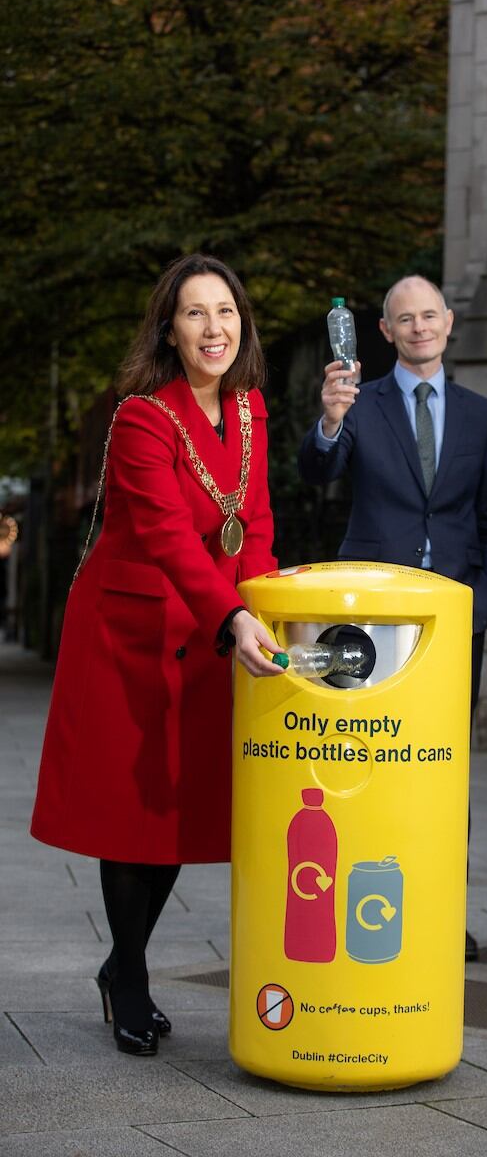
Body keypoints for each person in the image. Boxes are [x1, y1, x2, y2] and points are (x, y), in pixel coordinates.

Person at [31, 254, 286, 1055]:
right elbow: (172, 539)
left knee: (186, 807)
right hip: (130, 634)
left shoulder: (250, 411)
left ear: (241, 323)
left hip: (211, 627)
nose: (214, 328)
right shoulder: (142, 417)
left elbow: (258, 528)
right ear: (168, 331)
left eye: (225, 312)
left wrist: (270, 607)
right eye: (195, 314)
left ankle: (121, 963)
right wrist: (235, 617)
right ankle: (131, 977)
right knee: (136, 810)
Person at [297, 274, 487, 963]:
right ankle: (363, 899)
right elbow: (317, 471)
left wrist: (482, 606)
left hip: (453, 624)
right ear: (384, 332)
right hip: (371, 619)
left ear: (447, 322)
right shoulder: (359, 402)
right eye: (403, 319)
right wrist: (330, 420)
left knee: (447, 768)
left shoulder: (482, 416)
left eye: (429, 315)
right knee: (371, 757)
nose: (419, 327)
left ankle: (443, 910)